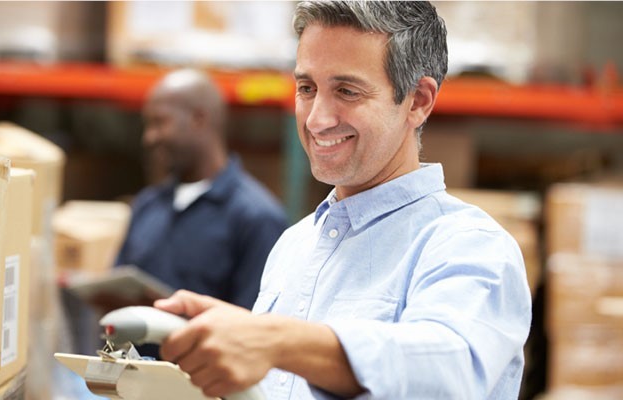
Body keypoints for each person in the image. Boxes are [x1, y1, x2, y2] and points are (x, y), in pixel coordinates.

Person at [152, 2, 532, 400]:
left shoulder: (469, 246)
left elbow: (446, 375)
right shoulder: (294, 246)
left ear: (418, 101)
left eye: (347, 91)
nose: (316, 119)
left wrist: (276, 340)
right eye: (307, 88)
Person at [115, 68, 289, 309]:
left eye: (159, 123)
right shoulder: (147, 205)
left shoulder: (257, 218)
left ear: (199, 119)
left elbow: (254, 320)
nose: (149, 138)